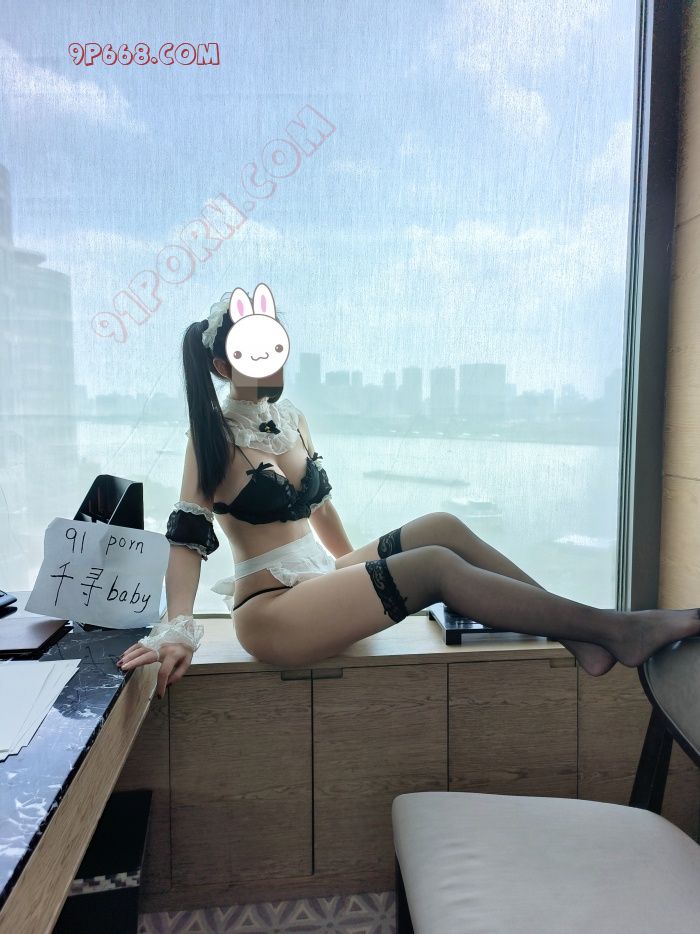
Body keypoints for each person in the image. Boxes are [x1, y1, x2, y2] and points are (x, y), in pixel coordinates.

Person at [117, 289, 700, 700]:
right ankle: (614, 630)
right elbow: (187, 538)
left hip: (318, 581)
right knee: (434, 566)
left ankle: (579, 634)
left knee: (440, 526)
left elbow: (320, 508)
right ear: (221, 364)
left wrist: (354, 575)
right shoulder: (211, 437)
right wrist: (178, 628)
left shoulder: (291, 418)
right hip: (272, 612)